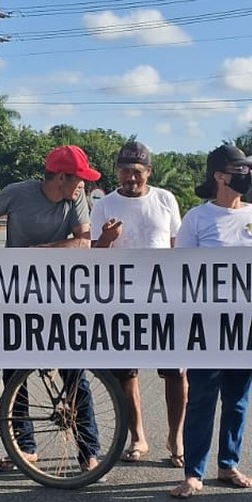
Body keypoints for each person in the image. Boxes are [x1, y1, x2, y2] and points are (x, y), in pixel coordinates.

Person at [0, 144, 101, 472]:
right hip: (15, 294)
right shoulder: (18, 194)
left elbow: (83, 242)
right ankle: (23, 445)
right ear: (60, 176)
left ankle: (89, 451)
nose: (83, 187)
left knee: (74, 371)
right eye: (79, 179)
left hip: (59, 296)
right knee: (14, 371)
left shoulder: (74, 199)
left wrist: (43, 250)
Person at [170, 144, 252, 499]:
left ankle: (228, 463)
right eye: (240, 170)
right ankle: (193, 472)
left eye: (249, 171)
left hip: (247, 326)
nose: (247, 177)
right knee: (201, 398)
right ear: (219, 176)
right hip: (207, 325)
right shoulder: (197, 219)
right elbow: (178, 273)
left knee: (238, 400)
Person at [90, 140, 186, 463]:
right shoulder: (104, 205)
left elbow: (178, 248)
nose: (130, 178)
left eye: (136, 172)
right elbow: (93, 256)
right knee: (126, 373)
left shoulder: (165, 200)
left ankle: (176, 438)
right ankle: (138, 438)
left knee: (175, 372)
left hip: (164, 298)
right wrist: (106, 240)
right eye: (124, 172)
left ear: (148, 172)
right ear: (116, 172)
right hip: (121, 299)